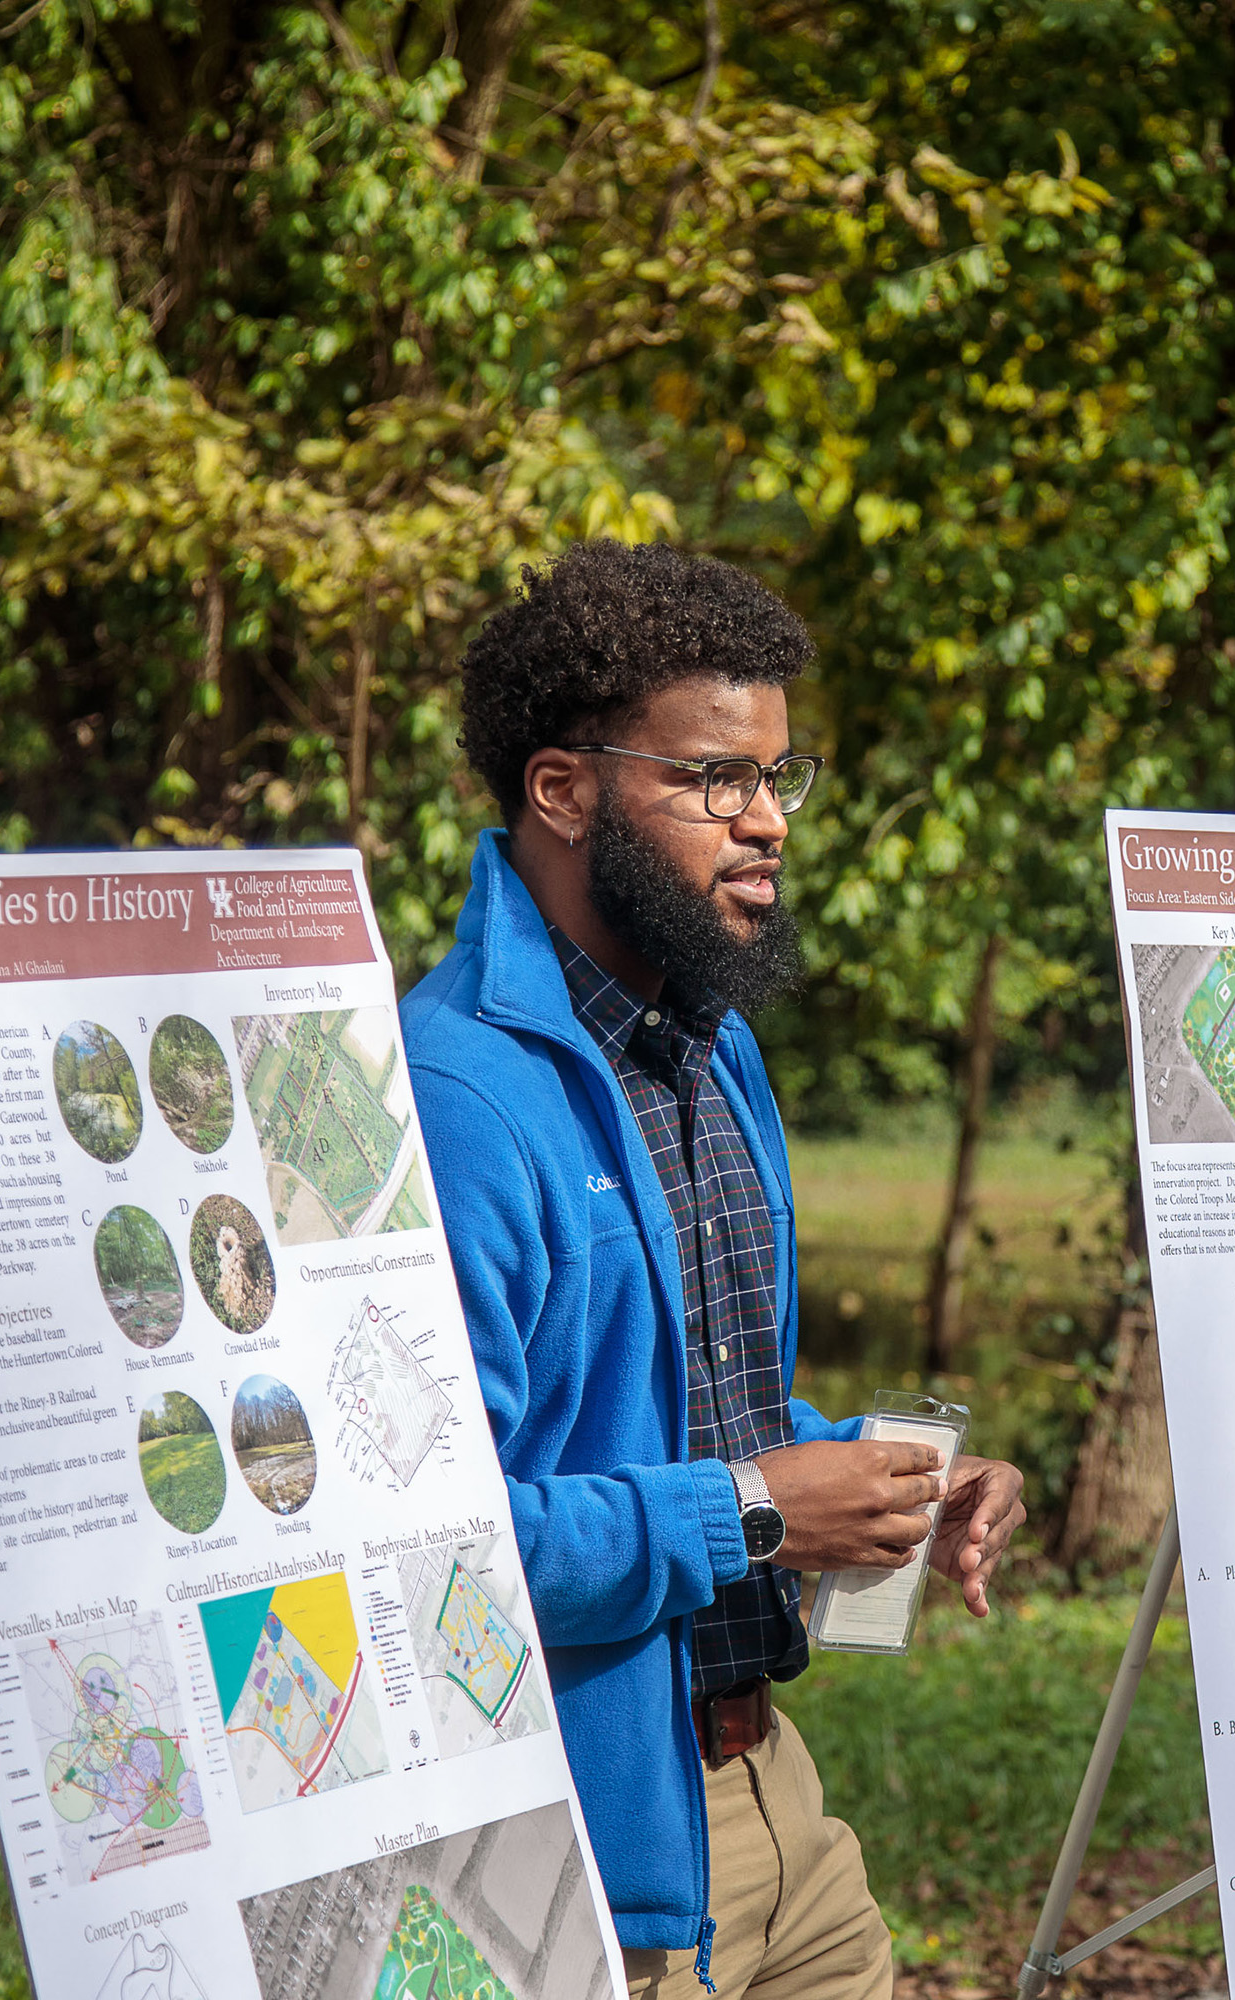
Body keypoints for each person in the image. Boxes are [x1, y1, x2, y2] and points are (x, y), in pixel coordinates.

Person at [403, 540, 1029, 2000]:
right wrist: (758, 1510)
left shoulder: (712, 1041)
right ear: (563, 789)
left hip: (775, 1806)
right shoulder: (454, 1100)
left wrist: (879, 1481)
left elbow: (701, 1410)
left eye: (778, 779)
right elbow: (438, 1559)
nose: (767, 823)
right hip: (590, 1863)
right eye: (712, 781)